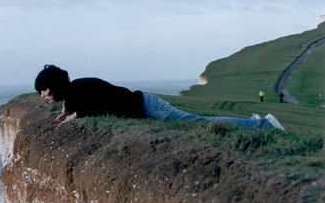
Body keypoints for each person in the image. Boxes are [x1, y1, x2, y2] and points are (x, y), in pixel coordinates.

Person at [35, 65, 285, 131]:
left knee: (197, 123)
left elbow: (102, 107)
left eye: (44, 92)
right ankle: (255, 123)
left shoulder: (78, 91)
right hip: (147, 106)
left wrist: (77, 115)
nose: (43, 97)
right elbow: (83, 103)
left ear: (54, 87)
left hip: (150, 107)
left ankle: (263, 124)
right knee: (197, 122)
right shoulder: (74, 91)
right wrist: (67, 112)